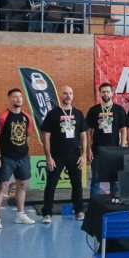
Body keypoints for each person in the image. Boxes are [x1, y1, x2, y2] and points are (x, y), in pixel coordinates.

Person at [40, 86, 88, 223]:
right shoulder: (52, 114)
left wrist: (83, 155)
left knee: (77, 184)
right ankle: (47, 213)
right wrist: (48, 157)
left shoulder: (78, 114)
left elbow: (83, 136)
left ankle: (79, 210)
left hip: (75, 155)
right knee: (51, 185)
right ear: (60, 96)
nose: (68, 96)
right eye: (65, 93)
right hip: (56, 156)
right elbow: (46, 137)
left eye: (70, 93)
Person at [0, 88, 36, 225]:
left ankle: (20, 214)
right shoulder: (2, 117)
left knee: (22, 185)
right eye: (15, 97)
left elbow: (28, 135)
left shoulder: (27, 117)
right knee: (2, 186)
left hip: (23, 157)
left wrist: (23, 149)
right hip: (6, 157)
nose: (18, 99)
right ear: (9, 99)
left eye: (20, 97)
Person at [86, 82, 128, 198]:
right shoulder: (94, 110)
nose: (105, 93)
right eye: (103, 91)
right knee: (96, 178)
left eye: (107, 91)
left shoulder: (119, 109)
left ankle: (115, 203)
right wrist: (89, 149)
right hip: (97, 150)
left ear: (112, 93)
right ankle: (94, 204)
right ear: (100, 93)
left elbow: (123, 129)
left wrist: (122, 146)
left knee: (115, 179)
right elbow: (89, 131)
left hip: (114, 150)